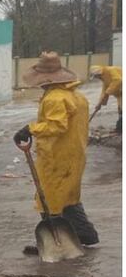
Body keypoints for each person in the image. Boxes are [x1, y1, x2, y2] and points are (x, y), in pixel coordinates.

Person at [14, 52, 98, 248]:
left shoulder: (55, 98)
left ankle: (54, 242)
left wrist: (30, 129)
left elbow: (56, 126)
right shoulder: (76, 96)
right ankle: (85, 234)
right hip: (74, 155)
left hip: (57, 157)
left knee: (49, 199)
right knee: (68, 198)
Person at [89, 65, 122, 133]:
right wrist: (99, 104)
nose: (97, 78)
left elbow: (118, 80)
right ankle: (120, 128)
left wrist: (108, 91)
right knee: (120, 110)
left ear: (99, 73)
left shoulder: (111, 70)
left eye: (96, 76)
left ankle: (120, 128)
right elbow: (104, 92)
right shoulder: (104, 79)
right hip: (120, 94)